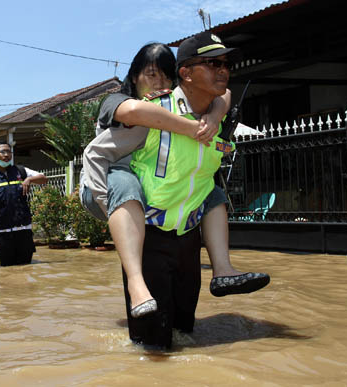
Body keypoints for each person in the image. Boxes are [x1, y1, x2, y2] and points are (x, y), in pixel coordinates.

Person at [83, 34, 269, 348]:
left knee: (186, 332)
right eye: (213, 63)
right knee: (153, 347)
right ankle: (136, 281)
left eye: (226, 64)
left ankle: (222, 270)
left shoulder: (218, 112)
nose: (223, 70)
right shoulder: (145, 113)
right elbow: (107, 140)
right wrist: (191, 127)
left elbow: (226, 98)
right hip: (145, 230)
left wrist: (212, 117)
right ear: (187, 73)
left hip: (188, 237)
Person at [0, 142, 48, 266]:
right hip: (2, 233)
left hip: (24, 231)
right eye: (3, 152)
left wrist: (29, 179)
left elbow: (43, 178)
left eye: (9, 152)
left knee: (26, 268)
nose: (6, 155)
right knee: (6, 271)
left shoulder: (21, 171)